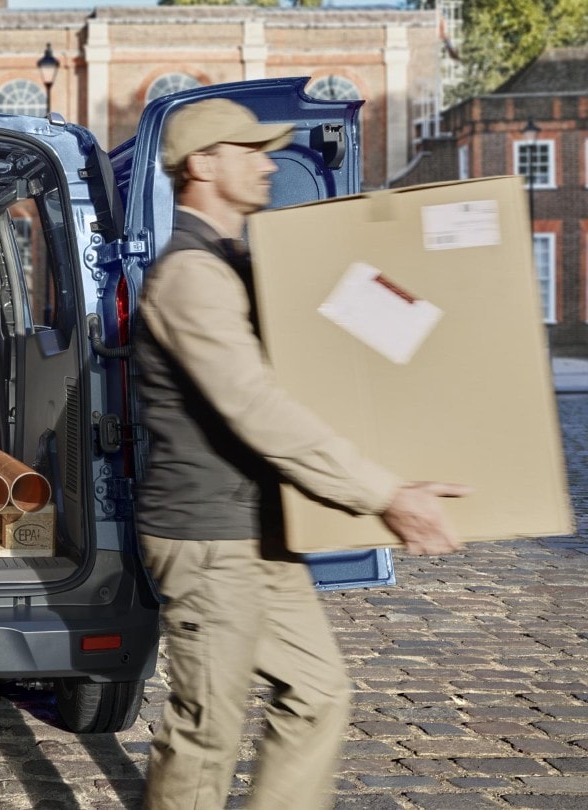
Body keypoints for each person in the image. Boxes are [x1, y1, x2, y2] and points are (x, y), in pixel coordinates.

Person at [132, 98, 471, 810]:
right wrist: (385, 493)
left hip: (259, 533)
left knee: (318, 693)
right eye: (248, 150)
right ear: (201, 164)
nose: (266, 163)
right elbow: (256, 406)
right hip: (205, 536)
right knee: (208, 730)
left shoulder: (239, 262)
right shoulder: (189, 275)